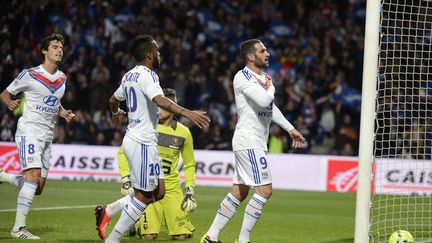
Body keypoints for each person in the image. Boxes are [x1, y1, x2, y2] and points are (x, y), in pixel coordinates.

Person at [94, 35, 210, 243]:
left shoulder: (128, 75)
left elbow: (113, 99)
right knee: (145, 196)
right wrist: (187, 113)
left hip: (140, 140)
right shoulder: (149, 75)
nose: (159, 55)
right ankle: (113, 239)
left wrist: (115, 112)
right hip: (143, 142)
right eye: (157, 51)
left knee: (159, 191)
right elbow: (159, 100)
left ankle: (109, 210)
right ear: (149, 54)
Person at [200, 39, 305, 243]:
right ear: (250, 56)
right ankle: (243, 239)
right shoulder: (242, 77)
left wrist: (290, 129)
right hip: (248, 140)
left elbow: (270, 107)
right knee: (265, 190)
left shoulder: (264, 78)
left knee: (239, 193)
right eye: (262, 50)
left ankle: (210, 236)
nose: (267, 53)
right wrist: (271, 87)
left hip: (253, 141)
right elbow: (266, 100)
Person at [0, 33, 75, 240]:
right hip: (29, 130)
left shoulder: (62, 78)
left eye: (61, 47)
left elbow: (53, 102)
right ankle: (18, 229)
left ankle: (3, 176)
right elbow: (5, 93)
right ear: (44, 51)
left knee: (37, 187)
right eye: (54, 46)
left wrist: (64, 113)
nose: (59, 50)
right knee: (32, 177)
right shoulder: (30, 74)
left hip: (47, 136)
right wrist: (9, 103)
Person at [118, 88, 197, 241]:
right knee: (149, 236)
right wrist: (125, 179)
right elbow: (122, 153)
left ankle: (180, 225)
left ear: (173, 107)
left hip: (172, 189)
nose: (159, 108)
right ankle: (136, 224)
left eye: (163, 105)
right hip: (148, 187)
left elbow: (189, 164)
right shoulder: (145, 127)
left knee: (180, 236)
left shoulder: (184, 132)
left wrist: (190, 191)